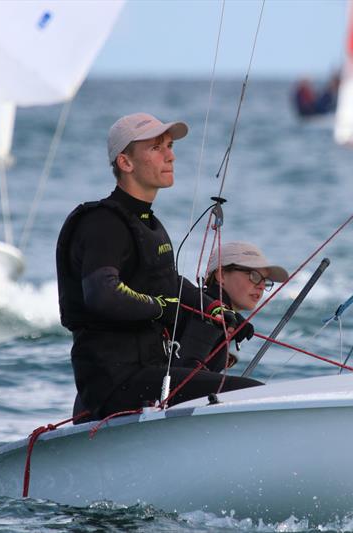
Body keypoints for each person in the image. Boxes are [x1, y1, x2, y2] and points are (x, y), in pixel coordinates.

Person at [56, 112, 262, 422]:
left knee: (232, 374)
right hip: (114, 381)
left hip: (149, 372)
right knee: (251, 394)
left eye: (169, 145)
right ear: (126, 163)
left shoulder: (149, 226)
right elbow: (102, 294)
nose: (171, 155)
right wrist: (160, 308)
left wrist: (216, 309)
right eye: (156, 148)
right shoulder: (102, 223)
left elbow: (170, 284)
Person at [175, 242, 289, 372]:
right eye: (254, 276)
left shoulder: (220, 314)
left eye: (265, 280)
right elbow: (184, 375)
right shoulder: (208, 315)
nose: (261, 286)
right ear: (221, 275)